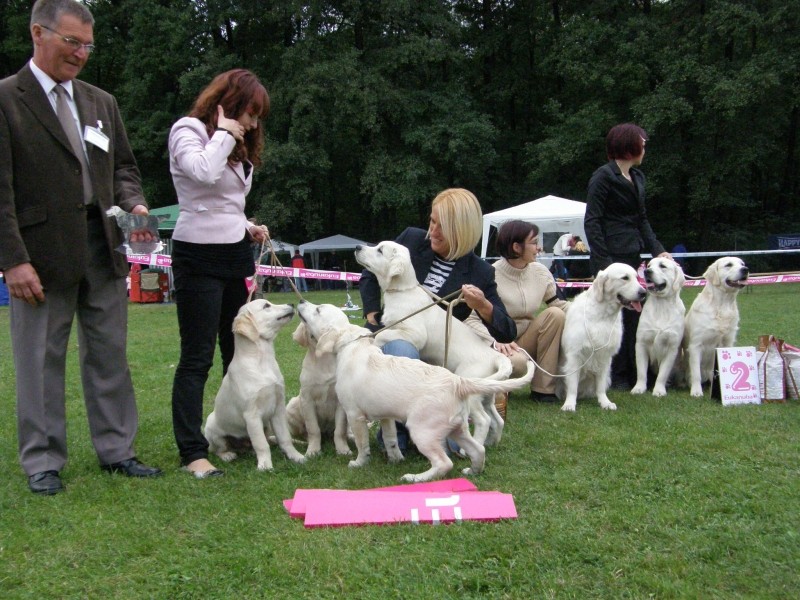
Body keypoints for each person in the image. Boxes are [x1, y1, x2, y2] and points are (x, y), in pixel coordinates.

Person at [0, 0, 162, 495]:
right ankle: (43, 461)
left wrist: (133, 204)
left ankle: (117, 450)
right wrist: (12, 259)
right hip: (39, 252)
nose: (81, 54)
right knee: (40, 359)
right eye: (72, 42)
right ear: (37, 33)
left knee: (109, 353)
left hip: (104, 245)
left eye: (88, 45)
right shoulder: (6, 98)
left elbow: (125, 170)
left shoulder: (100, 101)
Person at [168, 68, 270, 479]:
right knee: (198, 357)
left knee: (238, 351)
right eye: (249, 112)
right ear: (228, 102)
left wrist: (247, 227)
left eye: (258, 116)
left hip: (234, 255)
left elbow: (226, 202)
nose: (253, 123)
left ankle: (245, 431)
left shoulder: (238, 145)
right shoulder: (187, 130)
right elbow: (202, 174)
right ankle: (193, 451)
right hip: (196, 255)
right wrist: (225, 132)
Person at [360, 188, 516, 448]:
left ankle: (429, 434)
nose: (431, 231)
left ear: (460, 231)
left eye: (441, 226)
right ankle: (396, 437)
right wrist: (373, 315)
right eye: (432, 221)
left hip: (441, 368)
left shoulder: (480, 272)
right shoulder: (410, 239)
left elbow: (507, 331)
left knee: (449, 446)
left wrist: (484, 306)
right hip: (400, 344)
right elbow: (369, 273)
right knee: (402, 348)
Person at [584, 122, 672, 389]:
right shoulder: (603, 177)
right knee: (611, 316)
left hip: (633, 257)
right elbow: (593, 221)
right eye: (642, 143)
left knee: (635, 314)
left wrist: (658, 250)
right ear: (629, 145)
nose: (645, 148)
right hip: (611, 260)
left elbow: (641, 219)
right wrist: (605, 267)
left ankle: (637, 374)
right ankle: (615, 375)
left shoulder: (638, 179)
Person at [467, 220, 569, 403]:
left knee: (556, 315)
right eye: (534, 242)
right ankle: (502, 385)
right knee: (517, 363)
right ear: (516, 247)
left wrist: (590, 306)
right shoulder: (489, 274)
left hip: (528, 340)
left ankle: (544, 390)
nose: (539, 248)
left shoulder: (541, 272)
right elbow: (470, 319)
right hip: (501, 344)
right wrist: (494, 341)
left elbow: (558, 305)